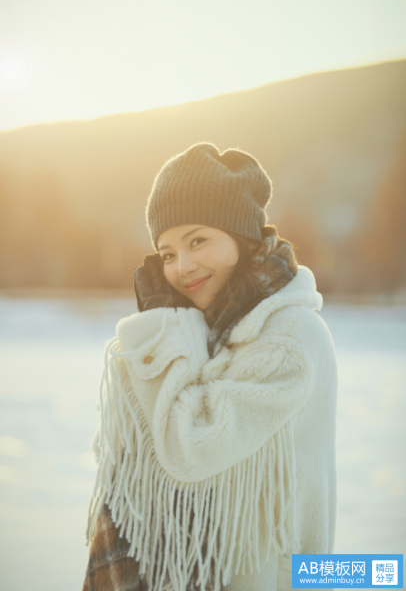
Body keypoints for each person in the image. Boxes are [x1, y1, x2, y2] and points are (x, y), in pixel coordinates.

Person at [82, 142, 338, 591]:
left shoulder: (288, 338)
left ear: (240, 236)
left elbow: (193, 446)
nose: (182, 267)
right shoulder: (214, 329)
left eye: (197, 241)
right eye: (167, 254)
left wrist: (159, 333)